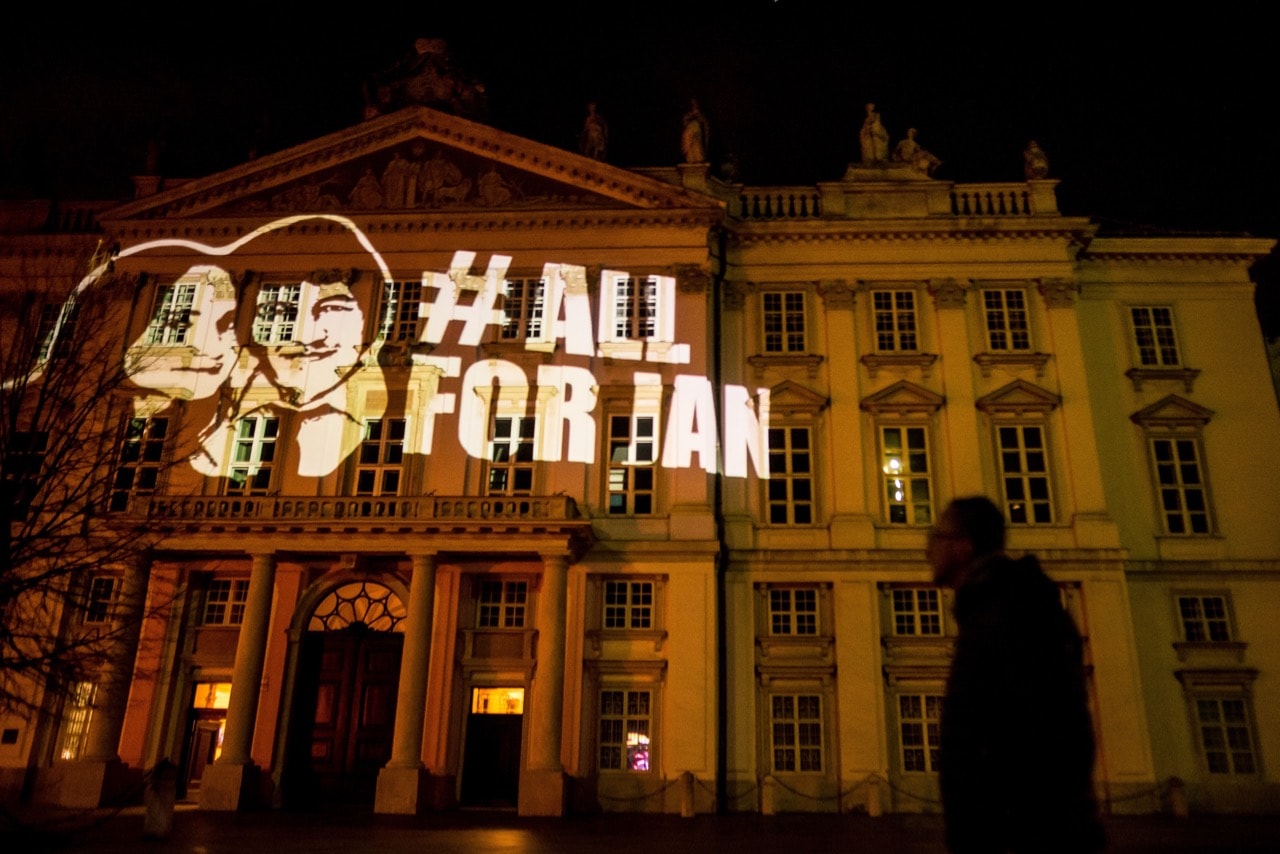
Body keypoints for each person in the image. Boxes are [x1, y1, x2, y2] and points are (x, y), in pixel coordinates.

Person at [928, 496, 1105, 853]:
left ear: (963, 547)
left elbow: (1049, 736)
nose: (928, 548)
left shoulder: (1007, 613)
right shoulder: (1000, 605)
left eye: (937, 536)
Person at [681, 99, 708, 163]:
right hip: (689, 130)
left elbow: (702, 122)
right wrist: (691, 117)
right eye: (692, 104)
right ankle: (690, 159)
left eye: (695, 103)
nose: (693, 105)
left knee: (696, 144)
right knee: (688, 143)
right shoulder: (688, 114)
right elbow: (684, 122)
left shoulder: (699, 113)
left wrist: (697, 117)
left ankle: (697, 158)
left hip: (696, 130)